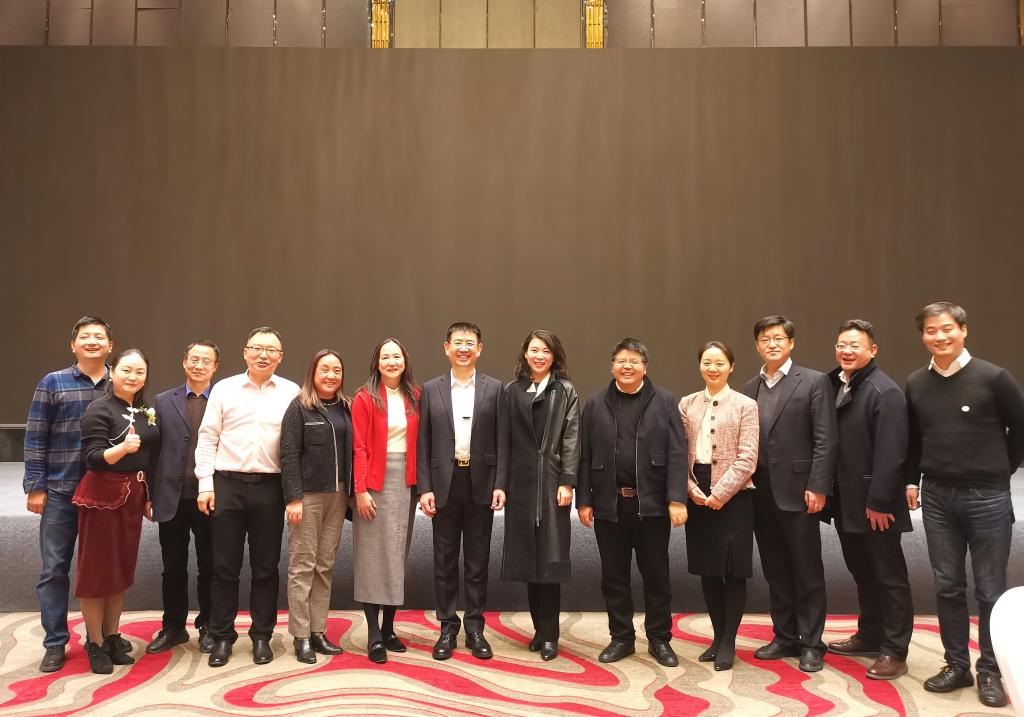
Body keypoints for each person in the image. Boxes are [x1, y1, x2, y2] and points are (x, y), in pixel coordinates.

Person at [905, 302, 1024, 708]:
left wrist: (1000, 471)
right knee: (947, 585)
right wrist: (911, 480)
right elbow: (913, 439)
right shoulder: (916, 382)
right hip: (937, 496)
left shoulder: (994, 377)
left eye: (947, 329)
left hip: (987, 497)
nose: (940, 337)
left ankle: (990, 669)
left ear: (963, 330)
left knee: (990, 588)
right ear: (923, 336)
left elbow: (1020, 430)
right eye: (931, 331)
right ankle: (956, 664)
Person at [576, 338, 688, 668]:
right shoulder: (595, 404)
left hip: (652, 506)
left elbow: (677, 453)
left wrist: (676, 498)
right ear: (612, 366)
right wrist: (584, 500)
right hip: (610, 506)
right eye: (621, 360)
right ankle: (621, 637)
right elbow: (584, 457)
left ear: (645, 367)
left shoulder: (664, 401)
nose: (627, 366)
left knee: (656, 576)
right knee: (614, 576)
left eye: (634, 361)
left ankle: (659, 638)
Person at [195, 327, 299, 667]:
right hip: (227, 485)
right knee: (224, 567)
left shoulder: (292, 392)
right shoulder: (224, 389)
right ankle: (222, 636)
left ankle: (261, 636)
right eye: (257, 348)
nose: (263, 355)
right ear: (245, 352)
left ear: (280, 357)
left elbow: (295, 446)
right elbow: (208, 438)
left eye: (271, 350)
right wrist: (205, 484)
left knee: (266, 567)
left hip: (271, 487)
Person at [742, 315, 836, 673]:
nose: (772, 344)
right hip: (760, 493)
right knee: (776, 569)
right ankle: (784, 636)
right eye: (765, 339)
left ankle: (811, 643)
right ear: (757, 345)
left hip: (800, 492)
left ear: (791, 343)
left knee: (807, 570)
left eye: (778, 338)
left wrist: (818, 485)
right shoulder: (750, 386)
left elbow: (826, 438)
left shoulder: (813, 381)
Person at [24, 315, 116, 673]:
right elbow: (35, 436)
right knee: (54, 569)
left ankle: (103, 637)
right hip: (61, 491)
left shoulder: (119, 382)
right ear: (73, 345)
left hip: (105, 495)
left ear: (110, 345)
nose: (92, 341)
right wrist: (35, 486)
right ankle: (55, 642)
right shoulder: (53, 382)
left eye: (99, 337)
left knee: (102, 569)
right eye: (85, 336)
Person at [823, 320, 913, 680]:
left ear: (872, 350)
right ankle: (871, 635)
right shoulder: (838, 384)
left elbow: (892, 452)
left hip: (876, 506)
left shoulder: (884, 390)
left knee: (890, 577)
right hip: (848, 501)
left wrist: (879, 501)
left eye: (855, 345)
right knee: (862, 572)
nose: (846, 351)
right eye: (841, 345)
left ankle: (895, 650)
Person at [417, 322, 508, 661]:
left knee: (477, 560)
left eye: (470, 343)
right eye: (458, 342)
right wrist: (424, 487)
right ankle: (447, 628)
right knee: (444, 560)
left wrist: (500, 483)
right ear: (446, 348)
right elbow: (423, 441)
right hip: (445, 483)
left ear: (479, 349)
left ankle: (475, 629)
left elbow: (503, 440)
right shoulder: (431, 389)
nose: (464, 348)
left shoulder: (495, 389)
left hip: (481, 482)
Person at [74, 348, 160, 673]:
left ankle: (111, 636)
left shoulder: (144, 410)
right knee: (96, 572)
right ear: (112, 371)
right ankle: (94, 642)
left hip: (133, 498)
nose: (133, 377)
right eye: (126, 370)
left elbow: (150, 458)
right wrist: (121, 449)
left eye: (140, 371)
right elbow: (93, 457)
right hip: (102, 499)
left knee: (120, 571)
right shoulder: (99, 408)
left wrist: (149, 495)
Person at [678, 341, 758, 672]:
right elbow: (677, 452)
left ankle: (729, 641)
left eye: (719, 363)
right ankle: (716, 636)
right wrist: (691, 489)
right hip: (697, 491)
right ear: (700, 365)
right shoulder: (686, 403)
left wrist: (720, 492)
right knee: (709, 569)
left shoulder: (746, 405)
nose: (713, 368)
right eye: (707, 362)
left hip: (736, 495)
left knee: (733, 571)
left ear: (731, 367)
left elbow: (748, 457)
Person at [500, 330, 580, 661]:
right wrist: (501, 484)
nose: (539, 356)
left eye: (546, 351)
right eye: (534, 350)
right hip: (520, 486)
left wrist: (567, 481)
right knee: (528, 562)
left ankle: (551, 635)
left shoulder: (565, 390)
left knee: (550, 562)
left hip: (552, 484)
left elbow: (572, 437)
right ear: (525, 353)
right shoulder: (512, 390)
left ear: (554, 356)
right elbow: (504, 439)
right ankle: (538, 629)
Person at [146, 340, 219, 655]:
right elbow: (153, 452)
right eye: (194, 359)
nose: (199, 365)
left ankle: (208, 625)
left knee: (211, 566)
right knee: (173, 566)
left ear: (215, 367)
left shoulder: (224, 399)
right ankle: (174, 627)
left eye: (206, 361)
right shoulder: (163, 401)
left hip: (210, 497)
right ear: (184, 362)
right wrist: (149, 493)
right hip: (171, 497)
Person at [280, 349, 353, 664]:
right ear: (313, 372)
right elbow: (288, 454)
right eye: (325, 369)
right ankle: (301, 636)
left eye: (336, 370)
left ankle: (318, 630)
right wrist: (293, 497)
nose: (331, 375)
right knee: (303, 565)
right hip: (307, 497)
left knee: (324, 565)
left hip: (338, 495)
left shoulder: (347, 407)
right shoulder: (299, 406)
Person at [351, 338, 420, 664]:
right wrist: (360, 489)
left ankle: (390, 629)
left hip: (405, 482)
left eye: (397, 356)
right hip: (373, 482)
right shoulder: (365, 398)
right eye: (385, 357)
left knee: (395, 555)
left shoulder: (415, 396)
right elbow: (358, 447)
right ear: (377, 363)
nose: (392, 362)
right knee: (371, 557)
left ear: (404, 361)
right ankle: (373, 633)